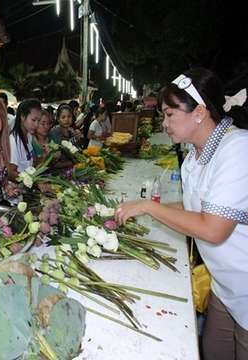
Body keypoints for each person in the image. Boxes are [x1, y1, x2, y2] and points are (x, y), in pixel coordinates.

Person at [114, 68, 248, 360]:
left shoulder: (237, 150)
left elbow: (213, 228)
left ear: (199, 112)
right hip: (224, 289)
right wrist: (141, 209)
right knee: (210, 351)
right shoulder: (195, 154)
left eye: (169, 115)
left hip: (246, 289)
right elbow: (194, 207)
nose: (164, 124)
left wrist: (149, 207)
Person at [8, 99, 41, 180]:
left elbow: (33, 162)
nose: (36, 124)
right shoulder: (13, 141)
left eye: (38, 120)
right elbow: (11, 173)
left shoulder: (29, 136)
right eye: (33, 120)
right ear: (22, 117)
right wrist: (33, 181)